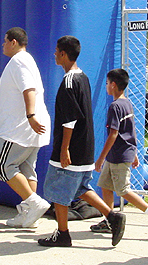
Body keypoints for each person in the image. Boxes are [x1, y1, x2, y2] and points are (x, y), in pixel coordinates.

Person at [38, 36, 126, 248]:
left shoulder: (69, 81)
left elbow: (70, 119)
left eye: (56, 50)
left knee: (58, 189)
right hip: (85, 146)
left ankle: (63, 234)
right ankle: (112, 217)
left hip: (72, 147)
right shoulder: (83, 77)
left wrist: (64, 149)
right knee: (80, 188)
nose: (54, 54)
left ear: (63, 54)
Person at [92, 68, 148, 240]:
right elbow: (130, 130)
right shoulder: (127, 103)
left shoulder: (115, 106)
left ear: (113, 85)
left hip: (119, 156)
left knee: (123, 190)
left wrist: (101, 158)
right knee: (105, 185)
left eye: (107, 83)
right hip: (117, 154)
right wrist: (134, 153)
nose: (106, 86)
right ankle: (110, 219)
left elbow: (114, 134)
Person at [0, 27, 51, 228]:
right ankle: (29, 215)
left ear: (14, 42)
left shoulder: (19, 61)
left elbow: (29, 89)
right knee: (27, 169)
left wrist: (30, 115)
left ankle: (34, 203)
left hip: (18, 128)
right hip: (29, 127)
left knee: (3, 167)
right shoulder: (26, 61)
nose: (3, 44)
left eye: (5, 41)